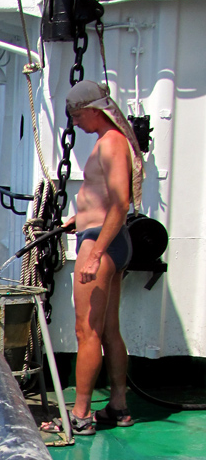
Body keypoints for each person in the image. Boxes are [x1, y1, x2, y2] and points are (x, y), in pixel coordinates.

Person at [41, 80, 144, 436]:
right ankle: (117, 406)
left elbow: (120, 203)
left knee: (87, 331)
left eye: (77, 115)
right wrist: (78, 218)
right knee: (109, 330)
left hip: (101, 243)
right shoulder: (111, 141)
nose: (77, 123)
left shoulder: (111, 142)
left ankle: (81, 414)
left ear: (93, 109)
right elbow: (101, 197)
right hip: (104, 237)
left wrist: (94, 254)